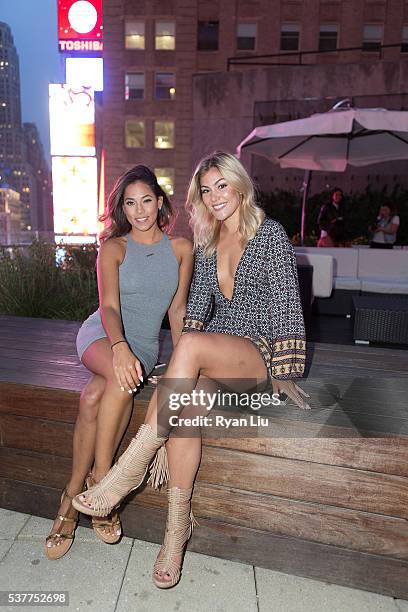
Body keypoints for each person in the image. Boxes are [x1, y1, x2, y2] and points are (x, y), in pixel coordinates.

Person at [72, 151, 309, 588]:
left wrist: (286, 369)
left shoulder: (269, 235)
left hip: (256, 356)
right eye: (206, 189)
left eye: (222, 185)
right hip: (214, 354)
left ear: (239, 186)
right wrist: (179, 371)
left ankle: (125, 473)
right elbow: (194, 312)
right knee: (184, 412)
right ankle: (175, 536)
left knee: (193, 347)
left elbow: (287, 305)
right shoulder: (206, 242)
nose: (215, 196)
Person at [45, 165, 193, 560]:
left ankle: (69, 498)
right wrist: (119, 346)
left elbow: (177, 313)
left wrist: (182, 367)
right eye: (130, 203)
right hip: (101, 337)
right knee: (119, 377)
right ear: (122, 209)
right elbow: (109, 306)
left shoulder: (181, 249)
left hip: (143, 348)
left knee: (94, 397)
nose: (140, 210)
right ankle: (104, 481)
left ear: (160, 203)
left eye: (147, 200)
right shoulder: (114, 248)